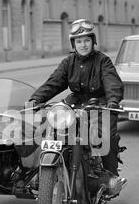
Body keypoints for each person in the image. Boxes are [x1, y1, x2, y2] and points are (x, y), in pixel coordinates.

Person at [28, 19, 124, 179]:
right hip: (73, 104)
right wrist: (35, 99)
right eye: (79, 41)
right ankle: (42, 172)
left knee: (104, 137)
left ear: (93, 41)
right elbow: (54, 82)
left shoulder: (103, 61)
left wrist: (112, 101)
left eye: (87, 40)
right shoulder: (68, 62)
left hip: (99, 106)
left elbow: (112, 83)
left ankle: (110, 176)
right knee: (47, 130)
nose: (83, 45)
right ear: (74, 44)